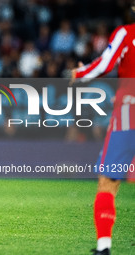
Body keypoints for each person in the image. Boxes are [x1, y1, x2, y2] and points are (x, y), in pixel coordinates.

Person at [71, 16, 135, 255]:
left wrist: (80, 73)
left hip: (129, 111)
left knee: (108, 182)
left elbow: (105, 64)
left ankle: (104, 246)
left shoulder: (127, 33)